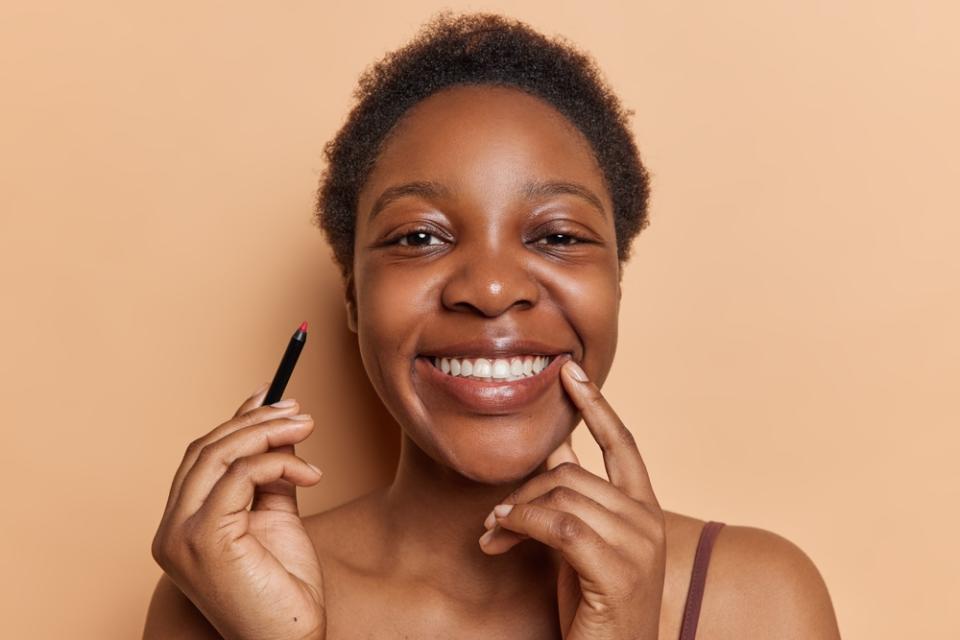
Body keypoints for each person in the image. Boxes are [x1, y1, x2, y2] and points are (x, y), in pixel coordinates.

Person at [144, 11, 841, 639]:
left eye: (559, 236)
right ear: (351, 297)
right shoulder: (222, 592)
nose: (492, 288)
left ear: (616, 284)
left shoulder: (756, 601)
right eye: (419, 237)